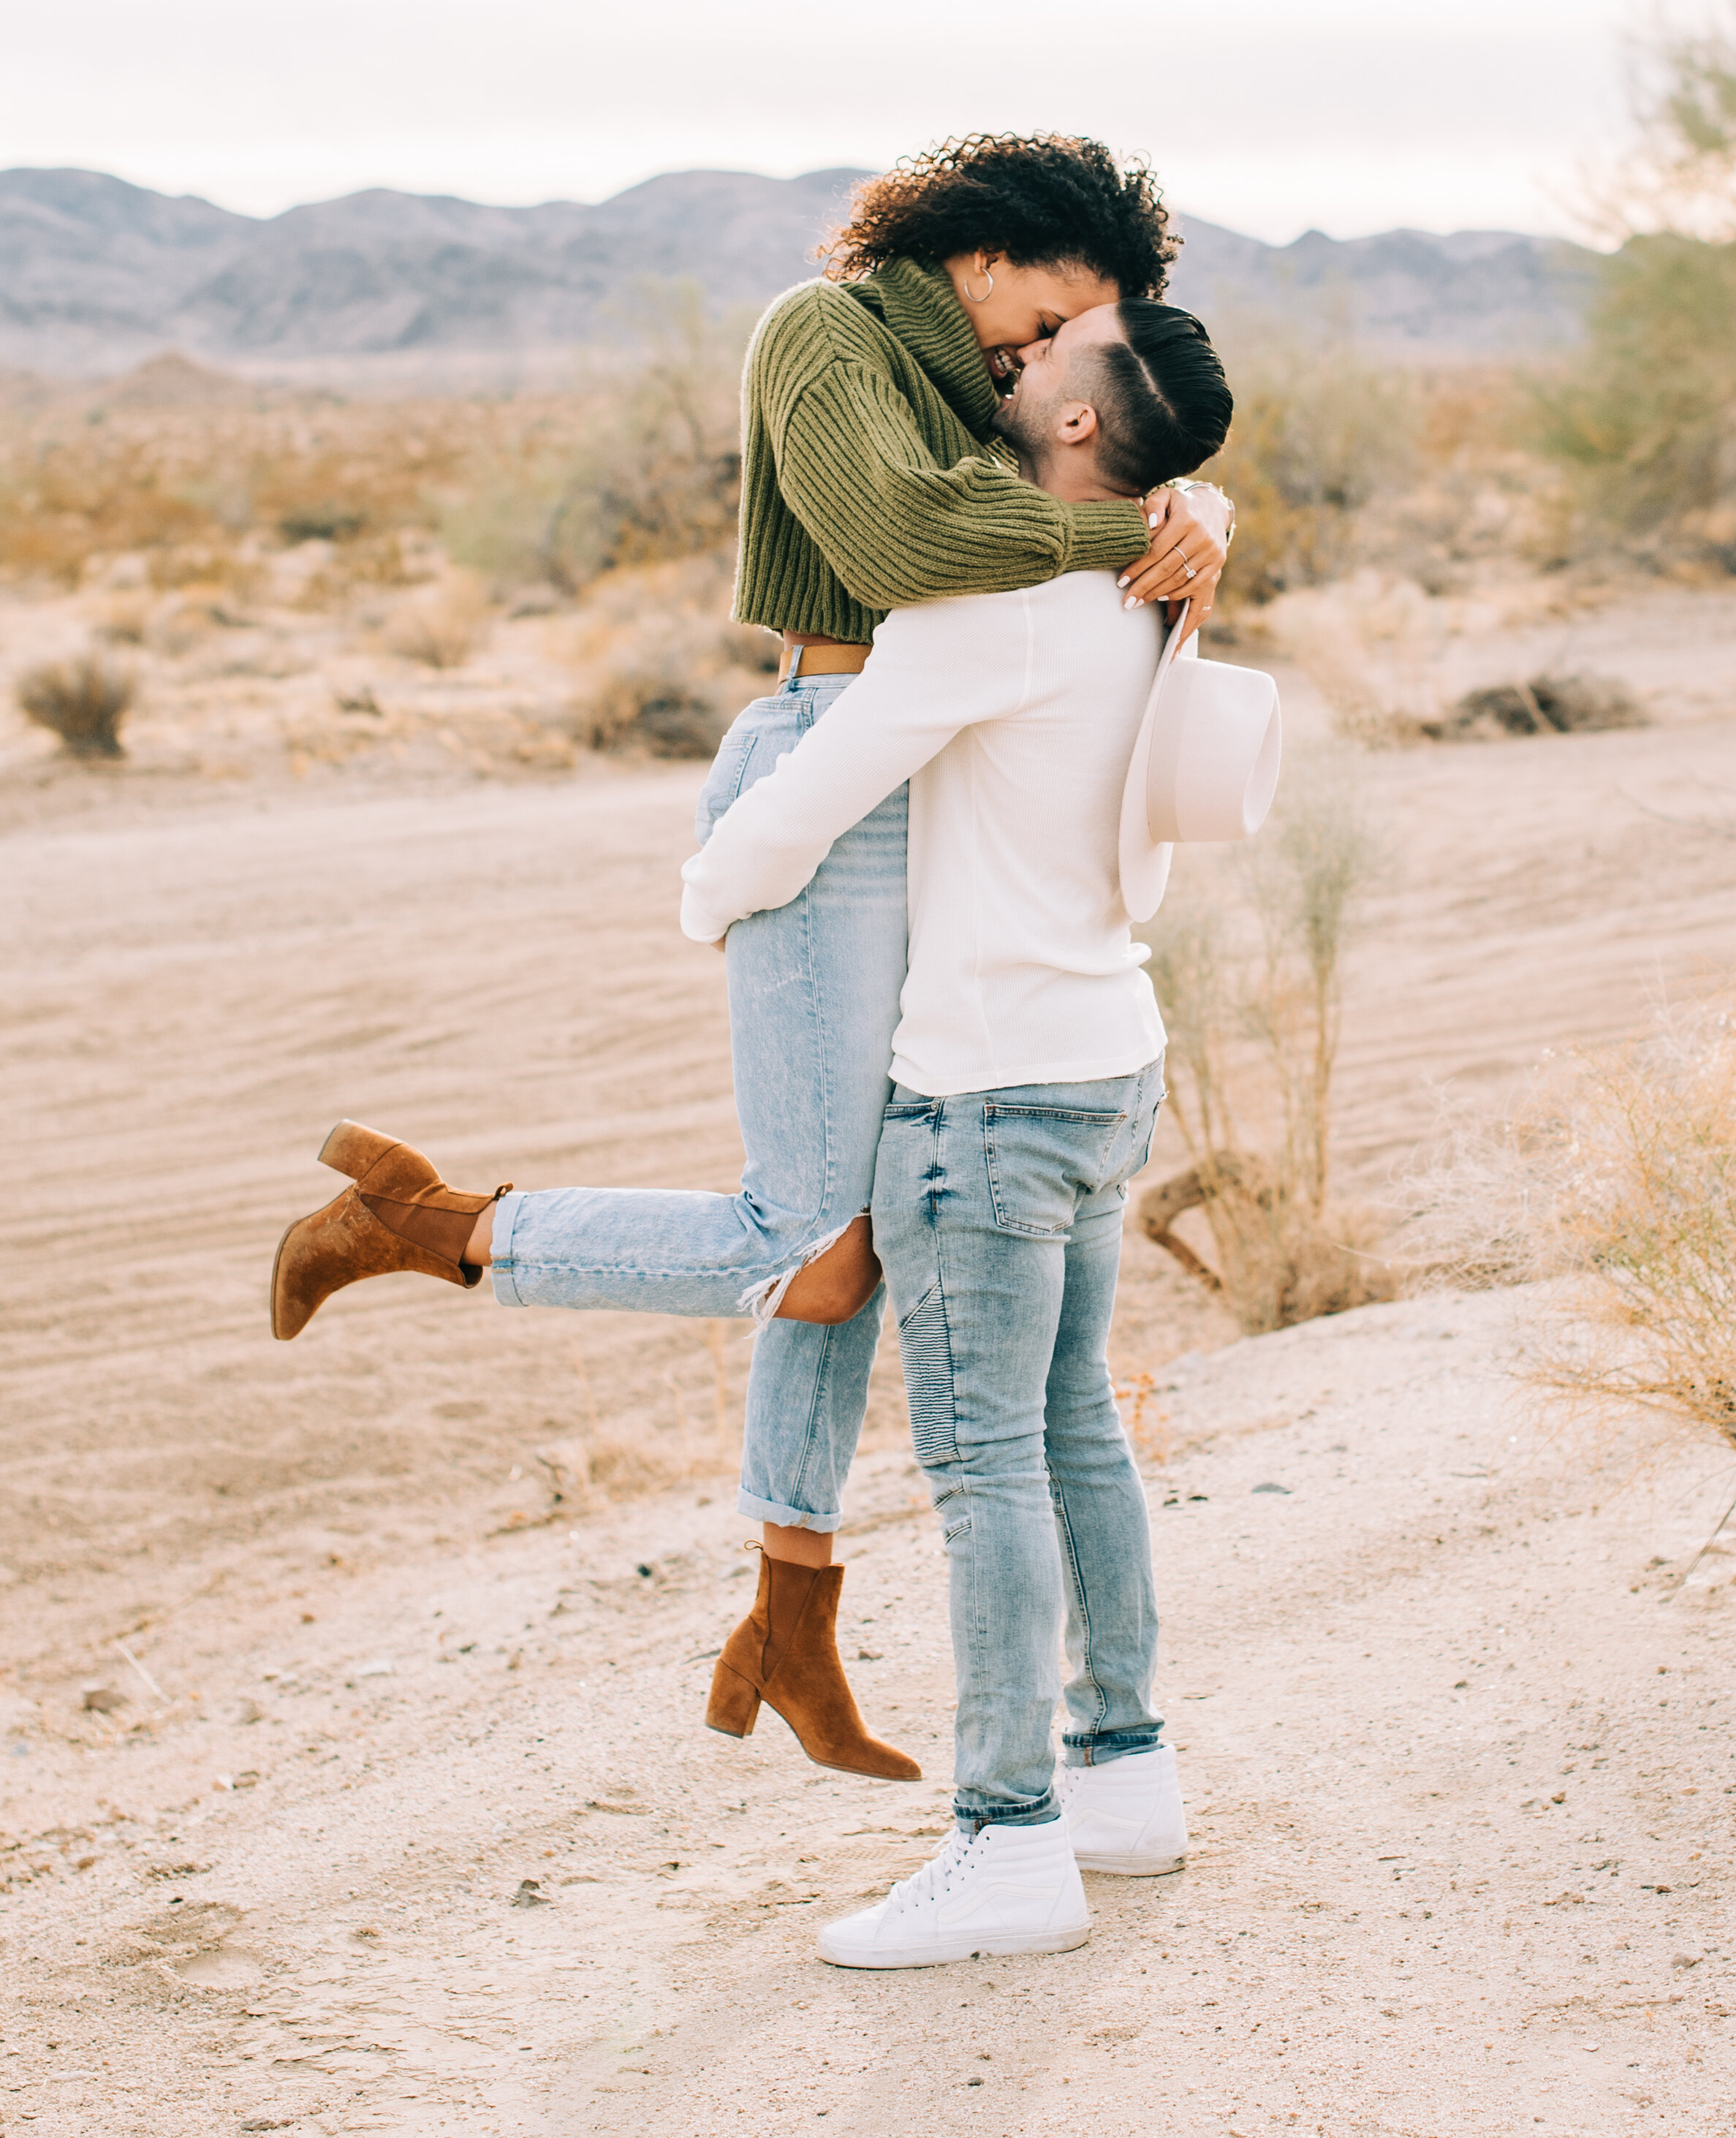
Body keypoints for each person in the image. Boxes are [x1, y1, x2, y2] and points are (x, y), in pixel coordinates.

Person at [269, 133, 1233, 1782]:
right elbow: (911, 546)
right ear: (994, 254)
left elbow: (1085, 464)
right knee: (809, 1240)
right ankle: (427, 1226)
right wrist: (1134, 530)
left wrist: (1186, 506)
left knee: (857, 1231)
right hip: (827, 757)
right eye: (1070, 309)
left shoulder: (994, 393)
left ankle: (791, 1617)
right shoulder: (829, 333)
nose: (1058, 348)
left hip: (924, 771)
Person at [670, 300, 1228, 1964]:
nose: (1028, 349)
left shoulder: (990, 602)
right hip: (1104, 1061)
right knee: (1074, 1434)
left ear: (1076, 428)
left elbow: (813, 798)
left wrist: (707, 896)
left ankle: (1005, 1847)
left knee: (986, 1461)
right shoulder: (1150, 590)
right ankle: (1122, 1776)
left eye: (1062, 347)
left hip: (980, 1096)